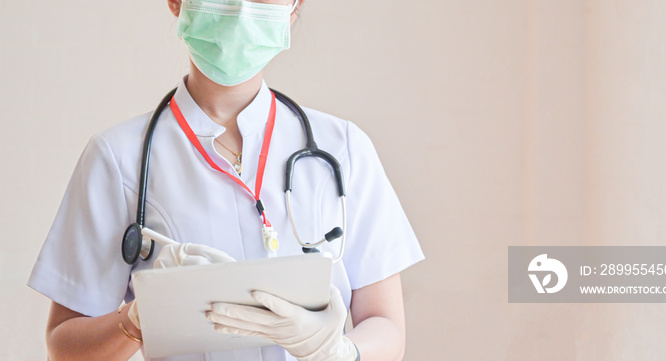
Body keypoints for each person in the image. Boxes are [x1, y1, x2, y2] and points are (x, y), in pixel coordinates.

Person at [28, 0, 424, 360]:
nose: (240, 9)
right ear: (176, 2)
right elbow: (64, 347)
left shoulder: (344, 149)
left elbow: (386, 326)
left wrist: (341, 352)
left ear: (293, 6)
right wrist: (138, 318)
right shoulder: (117, 159)